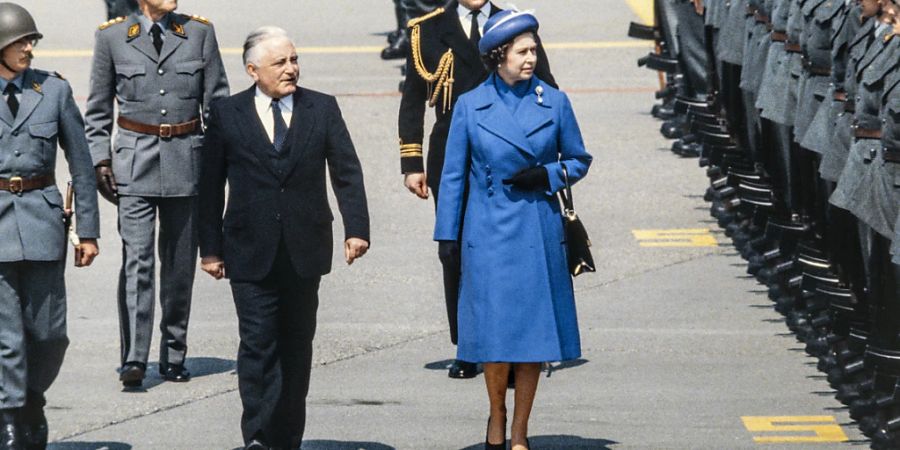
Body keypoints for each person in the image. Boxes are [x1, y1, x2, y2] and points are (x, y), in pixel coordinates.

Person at [197, 27, 370, 450]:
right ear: (253, 70)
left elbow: (346, 171)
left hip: (304, 249)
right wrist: (211, 249)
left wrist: (357, 229)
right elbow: (209, 186)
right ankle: (257, 436)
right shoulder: (227, 113)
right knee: (257, 345)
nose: (291, 69)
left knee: (295, 348)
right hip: (248, 250)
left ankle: (286, 438)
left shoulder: (322, 108)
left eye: (294, 60)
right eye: (280, 63)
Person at [433, 11, 591, 450]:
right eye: (522, 51)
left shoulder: (554, 102)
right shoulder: (470, 105)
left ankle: (520, 429)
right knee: (495, 337)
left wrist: (547, 176)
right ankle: (497, 414)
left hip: (536, 231)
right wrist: (447, 236)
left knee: (532, 337)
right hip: (488, 232)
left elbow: (579, 159)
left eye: (534, 50)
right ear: (497, 56)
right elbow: (452, 176)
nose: (531, 58)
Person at [398, 0, 556, 380]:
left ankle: (518, 349)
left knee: (510, 252)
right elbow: (413, 98)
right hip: (453, 152)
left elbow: (547, 89)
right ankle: (467, 345)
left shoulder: (514, 23)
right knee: (455, 250)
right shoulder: (427, 29)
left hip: (507, 153)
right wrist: (411, 162)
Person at [84, 0, 229, 388]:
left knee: (180, 266)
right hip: (133, 163)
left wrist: (219, 166)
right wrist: (100, 161)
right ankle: (134, 356)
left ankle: (174, 353)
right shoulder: (113, 37)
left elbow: (218, 106)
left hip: (187, 162)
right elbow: (97, 111)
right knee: (138, 261)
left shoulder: (199, 33)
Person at [0, 3, 100, 449]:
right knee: (6, 337)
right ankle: (9, 413)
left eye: (30, 41)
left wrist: (90, 232)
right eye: (19, 42)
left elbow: (81, 165)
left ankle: (33, 398)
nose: (28, 48)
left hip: (42, 222)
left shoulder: (53, 91)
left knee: (48, 333)